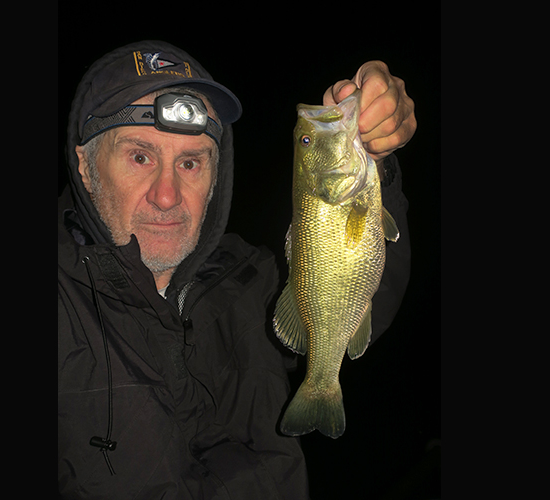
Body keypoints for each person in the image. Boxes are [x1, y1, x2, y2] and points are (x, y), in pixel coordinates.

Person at [58, 40, 416, 499]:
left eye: (190, 162)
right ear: (85, 165)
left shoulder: (247, 280)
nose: (166, 195)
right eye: (140, 156)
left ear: (217, 175)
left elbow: (363, 289)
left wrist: (377, 160)